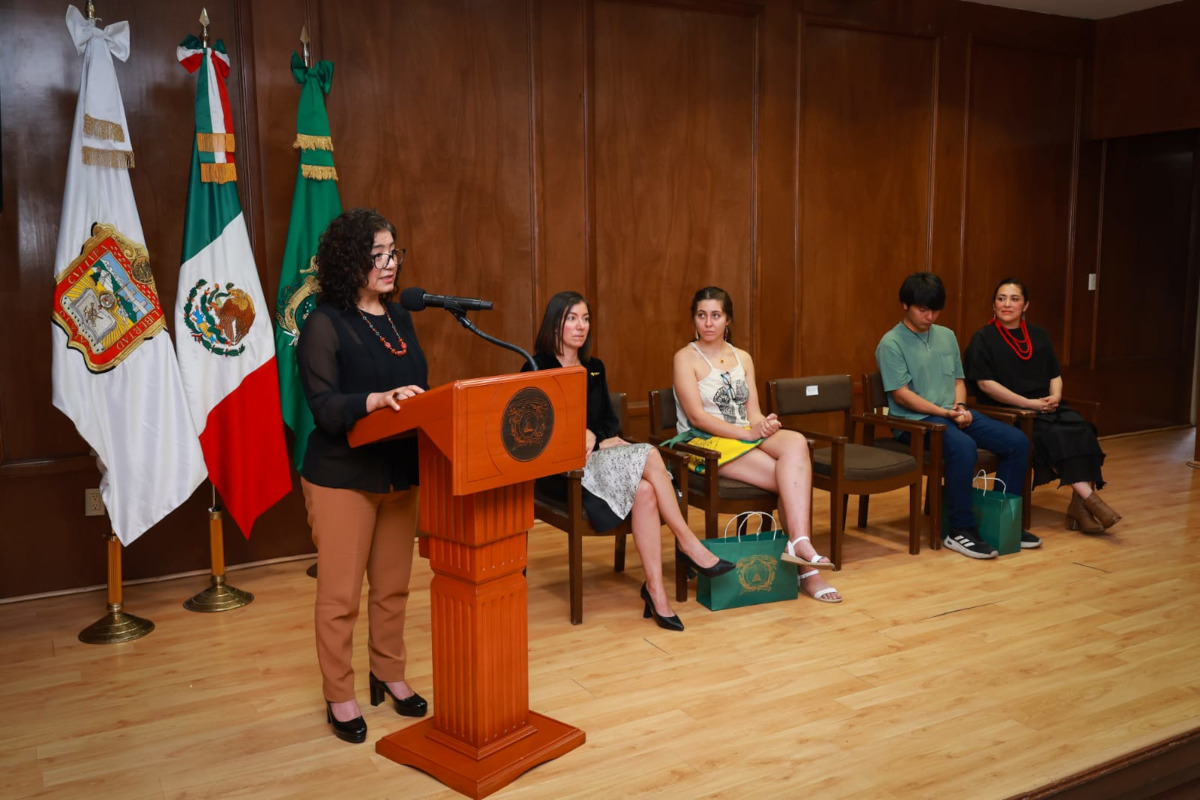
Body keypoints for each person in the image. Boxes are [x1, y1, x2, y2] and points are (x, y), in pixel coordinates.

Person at [524, 291, 734, 631]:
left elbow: (610, 421)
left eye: (586, 318)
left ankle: (656, 591)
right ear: (555, 323)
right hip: (562, 474)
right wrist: (582, 436)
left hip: (597, 462)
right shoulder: (535, 366)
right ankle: (687, 543)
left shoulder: (594, 367)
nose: (581, 326)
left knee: (647, 492)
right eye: (572, 318)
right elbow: (531, 431)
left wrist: (595, 433)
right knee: (650, 454)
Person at [297, 208, 429, 744]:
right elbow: (325, 408)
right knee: (340, 596)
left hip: (399, 472)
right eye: (377, 254)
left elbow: (416, 388)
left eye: (393, 251)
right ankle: (339, 694)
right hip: (341, 477)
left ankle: (389, 673)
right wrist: (376, 400)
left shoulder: (402, 318)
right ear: (351, 260)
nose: (389, 263)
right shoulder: (324, 323)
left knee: (393, 589)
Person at [671, 286, 842, 603]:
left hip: (743, 436)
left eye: (716, 315)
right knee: (789, 477)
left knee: (794, 443)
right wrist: (751, 434)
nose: (708, 322)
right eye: (702, 315)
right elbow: (696, 417)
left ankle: (799, 542)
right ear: (694, 319)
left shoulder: (743, 357)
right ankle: (806, 569)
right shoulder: (685, 357)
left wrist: (763, 425)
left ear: (728, 319)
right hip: (705, 443)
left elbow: (752, 414)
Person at [875, 272, 1036, 559]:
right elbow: (902, 395)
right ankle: (960, 531)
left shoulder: (946, 335)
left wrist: (959, 408)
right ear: (905, 305)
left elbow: (958, 381)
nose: (930, 316)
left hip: (953, 413)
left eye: (935, 310)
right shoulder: (891, 343)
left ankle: (1002, 521)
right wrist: (945, 412)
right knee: (963, 447)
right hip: (914, 422)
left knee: (1017, 441)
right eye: (922, 309)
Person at [964, 278, 1120, 533]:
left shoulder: (1038, 335)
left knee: (1082, 429)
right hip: (1010, 412)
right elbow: (985, 385)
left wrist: (1056, 396)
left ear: (1026, 305)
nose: (1007, 304)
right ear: (993, 304)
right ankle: (1092, 501)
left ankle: (1079, 508)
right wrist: (1028, 404)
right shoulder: (983, 338)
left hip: (1045, 407)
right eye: (1001, 298)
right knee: (1056, 435)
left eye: (1014, 299)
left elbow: (1054, 374)